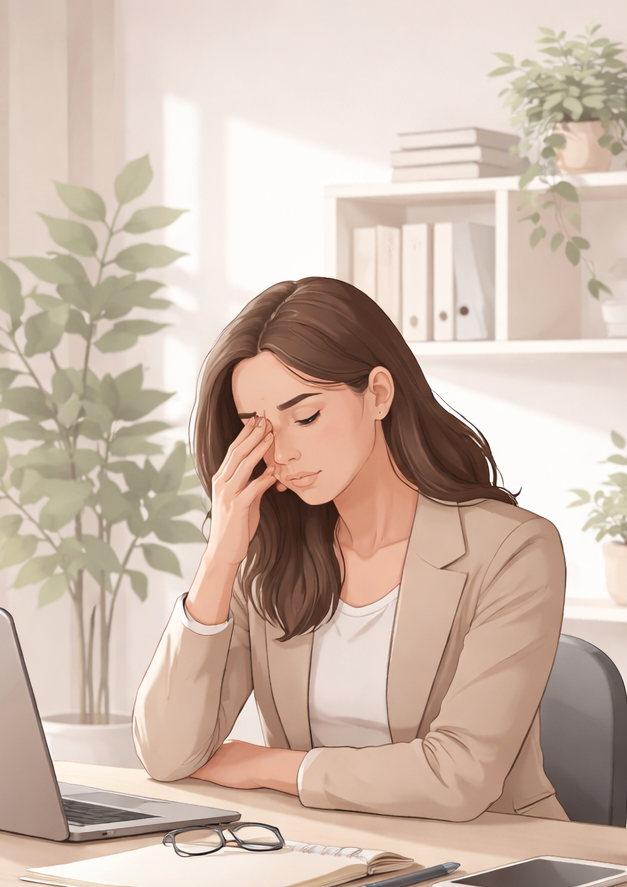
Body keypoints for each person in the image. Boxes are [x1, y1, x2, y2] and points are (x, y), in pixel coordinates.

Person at [132, 276, 567, 822]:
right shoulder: (267, 558)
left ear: (379, 394)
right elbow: (168, 755)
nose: (283, 452)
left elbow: (458, 778)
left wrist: (270, 768)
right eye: (257, 429)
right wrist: (219, 557)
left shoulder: (511, 549)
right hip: (320, 856)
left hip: (489, 867)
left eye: (306, 417)